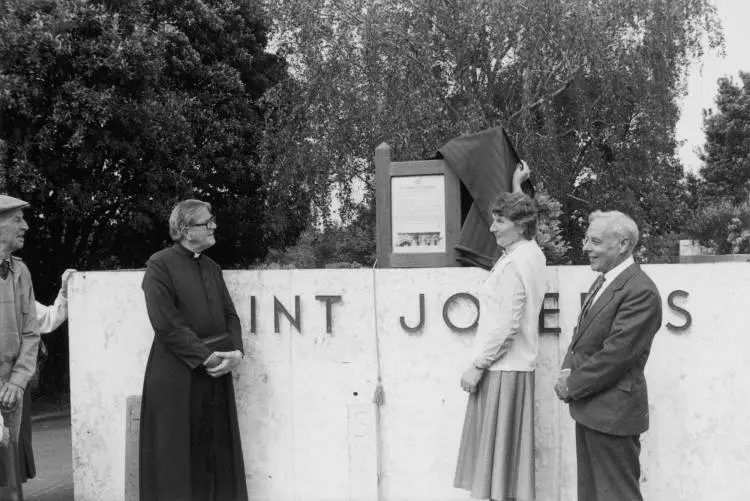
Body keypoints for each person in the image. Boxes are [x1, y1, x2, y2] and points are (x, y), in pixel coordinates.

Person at [139, 199, 247, 501]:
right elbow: (165, 324)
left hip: (215, 375)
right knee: (177, 459)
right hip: (176, 376)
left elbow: (230, 316)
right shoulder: (159, 265)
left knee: (215, 455)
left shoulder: (212, 267)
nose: (213, 226)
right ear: (185, 230)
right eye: (206, 222)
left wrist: (236, 352)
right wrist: (204, 357)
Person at [454, 163, 547, 501]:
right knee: (503, 472)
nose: (492, 228)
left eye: (499, 221)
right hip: (515, 370)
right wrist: (516, 187)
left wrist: (478, 365)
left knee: (495, 475)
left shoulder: (515, 262)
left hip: (501, 371)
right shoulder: (531, 253)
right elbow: (527, 219)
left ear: (519, 226)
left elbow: (507, 324)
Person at [554, 210, 662, 501]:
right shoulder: (605, 281)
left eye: (595, 241)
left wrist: (572, 385)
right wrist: (567, 370)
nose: (586, 247)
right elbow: (582, 335)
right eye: (588, 239)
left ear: (623, 244)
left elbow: (616, 355)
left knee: (617, 496)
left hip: (613, 414)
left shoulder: (640, 291)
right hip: (593, 410)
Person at [18, 268, 76, 483]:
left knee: (11, 451)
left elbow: (49, 319)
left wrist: (65, 291)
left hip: (13, 386)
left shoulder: (17, 295)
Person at [0, 195, 40, 500]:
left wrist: (17, 379)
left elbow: (31, 332)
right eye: (17, 219)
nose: (25, 225)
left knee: (10, 471)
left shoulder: (20, 271)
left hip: (11, 385)